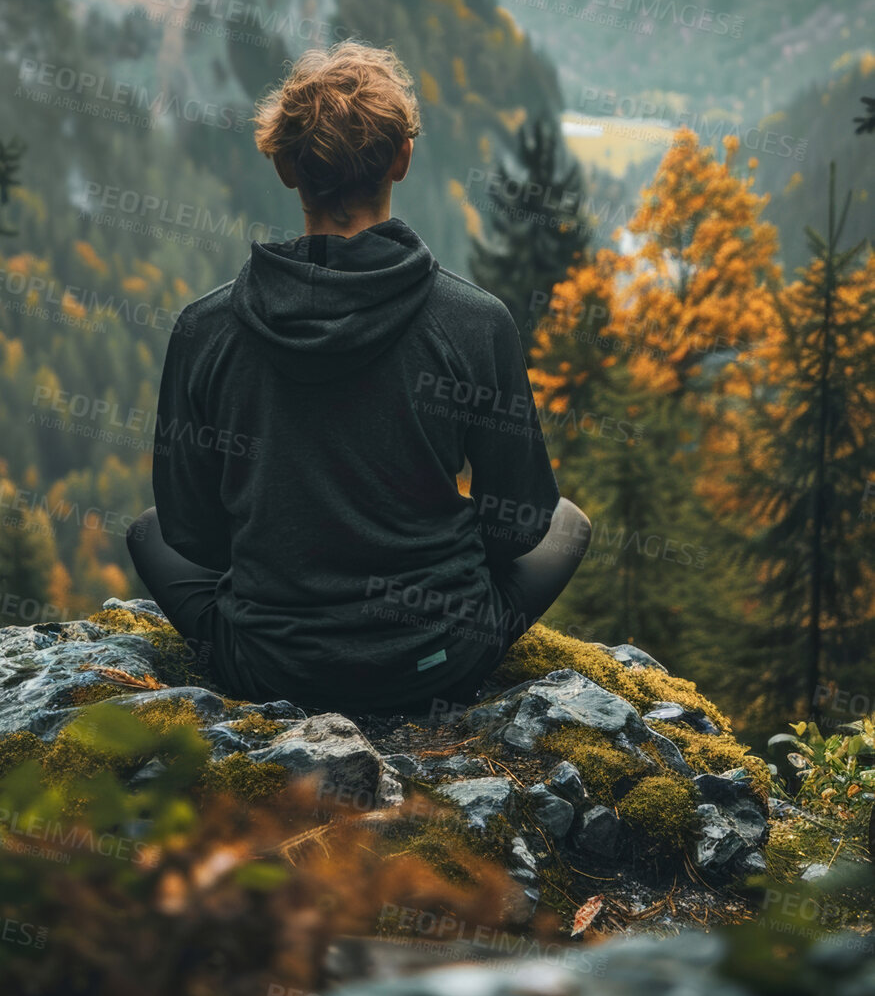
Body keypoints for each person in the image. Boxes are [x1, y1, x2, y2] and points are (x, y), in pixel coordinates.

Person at [127, 42, 591, 719]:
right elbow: (520, 525)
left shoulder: (206, 328)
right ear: (401, 157)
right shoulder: (475, 322)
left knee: (147, 529)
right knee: (568, 524)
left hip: (268, 665)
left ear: (286, 166)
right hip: (436, 657)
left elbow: (192, 535)